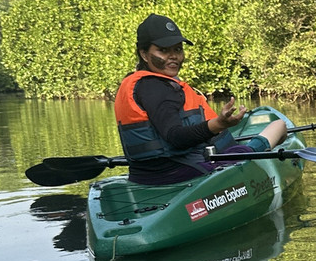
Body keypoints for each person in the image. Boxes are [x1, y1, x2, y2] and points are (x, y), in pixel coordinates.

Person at [115, 14, 287, 184]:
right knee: (279, 126)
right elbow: (175, 137)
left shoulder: (139, 84)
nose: (174, 56)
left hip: (143, 177)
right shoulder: (157, 88)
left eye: (178, 49)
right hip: (184, 172)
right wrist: (217, 124)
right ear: (144, 54)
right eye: (163, 50)